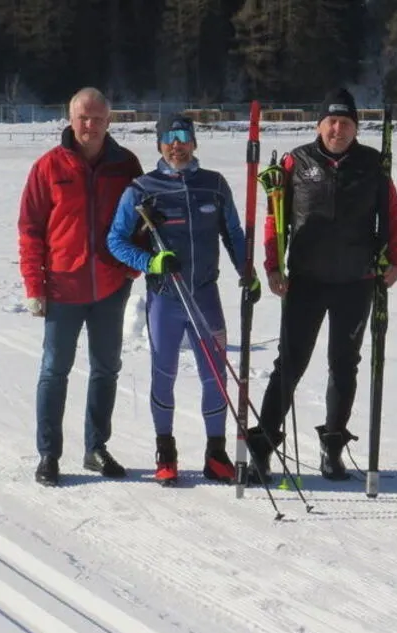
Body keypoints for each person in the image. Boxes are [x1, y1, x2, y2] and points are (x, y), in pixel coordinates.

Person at [244, 88, 397, 484]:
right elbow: (275, 219)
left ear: (356, 127)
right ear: (319, 124)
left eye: (346, 122)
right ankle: (263, 449)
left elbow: (394, 214)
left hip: (357, 281)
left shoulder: (373, 164)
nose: (338, 129)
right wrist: (272, 266)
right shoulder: (295, 162)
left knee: (344, 365)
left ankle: (333, 447)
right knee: (290, 364)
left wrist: (396, 260)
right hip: (306, 281)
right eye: (332, 121)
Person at [107, 114, 261, 486]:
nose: (177, 145)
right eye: (169, 138)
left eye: (184, 137)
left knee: (215, 376)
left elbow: (235, 234)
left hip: (206, 296)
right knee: (164, 373)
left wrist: (247, 271)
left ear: (194, 142)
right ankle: (166, 451)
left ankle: (216, 453)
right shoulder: (142, 190)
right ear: (159, 144)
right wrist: (150, 261)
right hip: (165, 299)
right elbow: (115, 240)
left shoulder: (214, 186)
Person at [18, 87, 144, 487]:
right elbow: (30, 229)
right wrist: (34, 285)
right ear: (70, 120)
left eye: (97, 118)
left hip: (109, 286)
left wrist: (132, 268)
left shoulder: (126, 165)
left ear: (109, 121)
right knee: (55, 370)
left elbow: (144, 220)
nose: (90, 125)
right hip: (62, 287)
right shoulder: (48, 167)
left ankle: (96, 447)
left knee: (106, 368)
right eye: (83, 118)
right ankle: (48, 454)